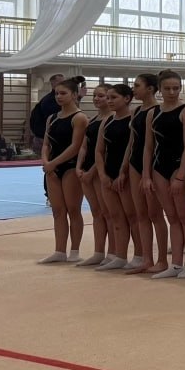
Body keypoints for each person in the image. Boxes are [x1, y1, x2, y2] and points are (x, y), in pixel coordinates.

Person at [144, 71, 185, 279]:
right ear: (159, 89)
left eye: (176, 88)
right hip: (159, 168)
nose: (172, 92)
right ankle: (175, 264)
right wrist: (146, 175)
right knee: (172, 217)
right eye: (167, 88)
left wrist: (181, 177)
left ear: (180, 88)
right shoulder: (153, 113)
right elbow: (148, 147)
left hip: (178, 167)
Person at [38, 76, 89, 264]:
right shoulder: (51, 118)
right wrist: (46, 161)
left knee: (73, 209)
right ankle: (59, 250)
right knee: (58, 211)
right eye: (56, 93)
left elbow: (75, 146)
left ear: (74, 95)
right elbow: (46, 144)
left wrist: (53, 163)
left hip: (70, 166)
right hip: (52, 167)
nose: (59, 96)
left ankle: (74, 251)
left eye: (63, 93)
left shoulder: (80, 118)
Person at [123, 74, 165, 274]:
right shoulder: (136, 111)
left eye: (137, 85)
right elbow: (132, 142)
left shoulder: (158, 111)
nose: (133, 89)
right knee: (140, 213)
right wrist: (124, 167)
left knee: (155, 213)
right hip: (134, 163)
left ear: (150, 89)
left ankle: (162, 259)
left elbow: (154, 144)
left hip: (153, 164)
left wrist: (148, 173)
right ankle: (146, 258)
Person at [95, 84, 135, 270]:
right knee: (116, 216)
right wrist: (102, 174)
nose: (109, 101)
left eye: (113, 97)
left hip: (126, 174)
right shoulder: (107, 121)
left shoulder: (133, 119)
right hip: (108, 173)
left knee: (132, 217)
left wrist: (123, 173)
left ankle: (139, 255)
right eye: (108, 97)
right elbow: (99, 151)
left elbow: (133, 148)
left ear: (127, 98)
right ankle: (120, 256)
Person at [76, 84, 112, 266]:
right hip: (86, 170)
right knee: (96, 212)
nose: (97, 99)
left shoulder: (112, 119)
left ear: (109, 98)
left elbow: (106, 151)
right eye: (95, 96)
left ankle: (113, 253)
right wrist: (78, 167)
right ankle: (98, 252)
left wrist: (93, 171)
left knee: (108, 213)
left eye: (101, 96)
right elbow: (84, 146)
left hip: (100, 170)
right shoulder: (92, 120)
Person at [29, 73, 65, 157]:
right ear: (53, 83)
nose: (64, 85)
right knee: (45, 162)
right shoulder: (49, 100)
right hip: (44, 139)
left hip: (45, 137)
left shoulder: (53, 99)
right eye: (61, 82)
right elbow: (55, 122)